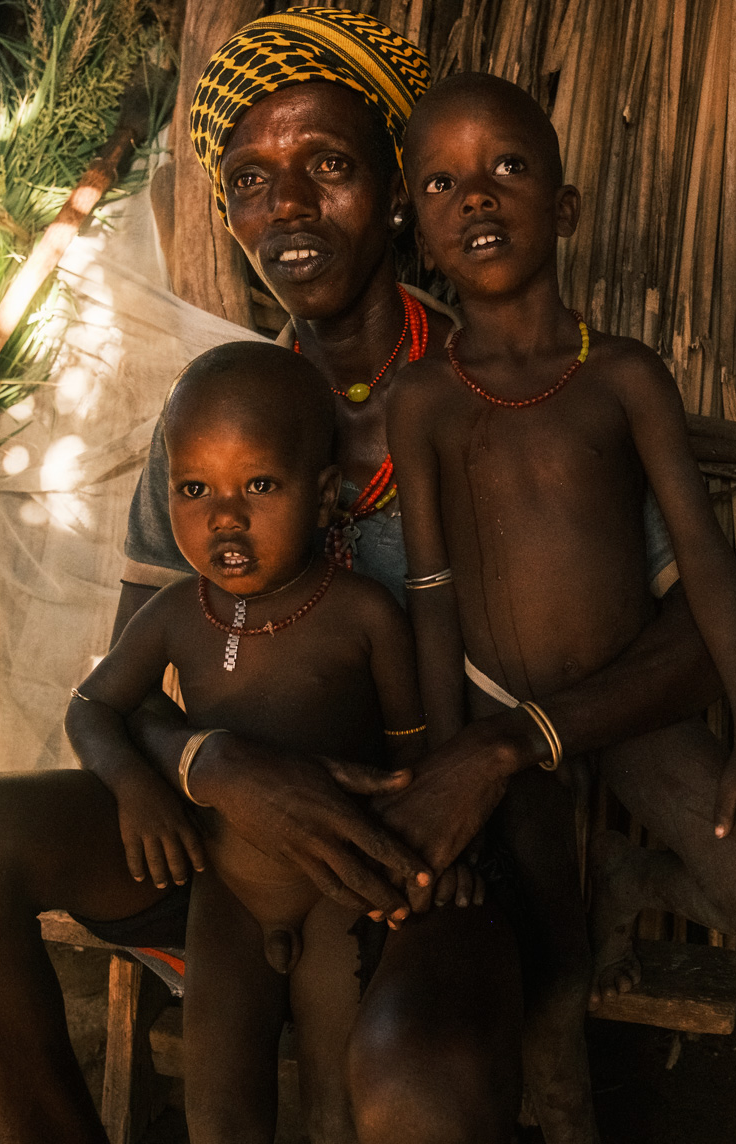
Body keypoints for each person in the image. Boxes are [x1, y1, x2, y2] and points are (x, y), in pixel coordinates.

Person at [0, 9, 736, 1144]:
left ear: (400, 198)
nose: (289, 209)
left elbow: (692, 621)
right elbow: (141, 678)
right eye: (253, 180)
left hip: (429, 856)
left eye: (330, 167)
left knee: (413, 1087)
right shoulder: (219, 420)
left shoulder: (503, 394)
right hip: (235, 844)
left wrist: (512, 745)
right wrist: (218, 762)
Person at [386, 71, 736, 1135]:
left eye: (509, 169)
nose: (477, 197)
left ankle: (631, 882)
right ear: (419, 234)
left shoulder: (625, 375)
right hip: (500, 710)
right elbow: (433, 591)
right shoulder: (425, 399)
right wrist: (456, 765)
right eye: (443, 182)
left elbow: (710, 569)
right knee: (554, 975)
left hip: (629, 700)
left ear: (567, 207)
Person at [69, 341, 483, 1143]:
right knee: (219, 1116)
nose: (225, 515)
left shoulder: (365, 617)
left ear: (325, 495)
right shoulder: (176, 615)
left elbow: (415, 762)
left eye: (259, 484)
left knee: (337, 1111)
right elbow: (92, 706)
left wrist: (438, 862)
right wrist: (137, 786)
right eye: (195, 489)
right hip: (224, 904)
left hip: (339, 899)